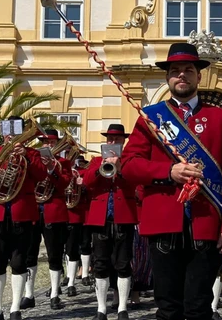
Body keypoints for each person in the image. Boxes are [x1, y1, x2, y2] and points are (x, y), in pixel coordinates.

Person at [121, 42, 222, 320]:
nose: (181, 76)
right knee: (168, 308)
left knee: (199, 307)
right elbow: (128, 165)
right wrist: (168, 171)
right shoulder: (150, 119)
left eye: (188, 70)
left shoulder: (220, 117)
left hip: (206, 223)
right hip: (164, 222)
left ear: (199, 76)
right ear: (167, 77)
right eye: (175, 71)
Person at [0, 116, 62, 320]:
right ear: (3, 133)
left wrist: (27, 158)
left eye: (16, 131)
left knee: (19, 262)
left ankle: (15, 309)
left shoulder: (33, 154)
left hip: (22, 214)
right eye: (8, 131)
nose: (11, 135)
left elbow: (41, 176)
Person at [82, 124, 138, 320]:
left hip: (124, 217)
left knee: (123, 263)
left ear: (124, 141)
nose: (112, 142)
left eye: (117, 139)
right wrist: (100, 167)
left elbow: (136, 183)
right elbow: (87, 182)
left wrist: (120, 166)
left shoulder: (131, 162)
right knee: (101, 263)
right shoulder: (96, 160)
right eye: (110, 139)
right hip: (100, 219)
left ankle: (122, 307)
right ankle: (101, 309)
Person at [21, 129, 70, 309]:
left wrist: (51, 168)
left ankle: (55, 294)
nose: (48, 145)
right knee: (29, 254)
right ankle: (29, 294)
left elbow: (64, 183)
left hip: (54, 210)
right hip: (34, 210)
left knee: (54, 254)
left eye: (52, 142)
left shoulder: (64, 163)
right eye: (45, 142)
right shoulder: (34, 161)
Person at [64, 154, 92, 296]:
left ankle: (85, 273)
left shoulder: (82, 171)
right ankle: (70, 277)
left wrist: (84, 185)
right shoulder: (62, 171)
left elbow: (91, 191)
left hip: (84, 212)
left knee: (85, 243)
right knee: (69, 247)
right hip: (68, 213)